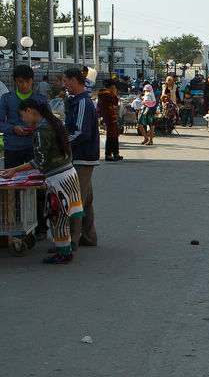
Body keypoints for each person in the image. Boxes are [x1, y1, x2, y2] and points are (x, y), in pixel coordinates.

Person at [0, 99, 84, 264]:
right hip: (68, 173)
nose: (23, 119)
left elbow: (40, 161)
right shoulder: (54, 123)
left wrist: (15, 170)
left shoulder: (41, 131)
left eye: (22, 115)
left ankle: (64, 254)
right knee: (61, 217)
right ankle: (64, 250)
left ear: (30, 110)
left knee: (57, 217)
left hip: (59, 179)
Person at [0, 64, 49, 239]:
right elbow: (0, 122)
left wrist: (35, 127)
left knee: (38, 186)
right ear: (15, 82)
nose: (24, 85)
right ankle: (16, 224)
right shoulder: (6, 99)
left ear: (32, 81)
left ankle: (41, 226)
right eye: (21, 82)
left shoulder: (40, 99)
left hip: (33, 147)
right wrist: (13, 128)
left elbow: (48, 121)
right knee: (12, 187)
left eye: (27, 81)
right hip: (12, 147)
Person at [62, 67, 100, 249]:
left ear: (74, 81)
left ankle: (72, 240)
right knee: (86, 199)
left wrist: (62, 143)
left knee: (76, 200)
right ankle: (89, 236)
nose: (64, 85)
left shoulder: (83, 103)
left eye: (65, 81)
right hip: (81, 157)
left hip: (82, 158)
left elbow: (82, 133)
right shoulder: (77, 102)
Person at [97, 79, 123, 162]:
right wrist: (115, 94)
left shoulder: (103, 94)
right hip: (108, 117)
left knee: (114, 135)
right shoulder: (106, 94)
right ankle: (108, 154)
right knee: (111, 136)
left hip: (110, 116)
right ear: (111, 87)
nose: (114, 90)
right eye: (114, 88)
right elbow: (115, 102)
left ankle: (116, 153)